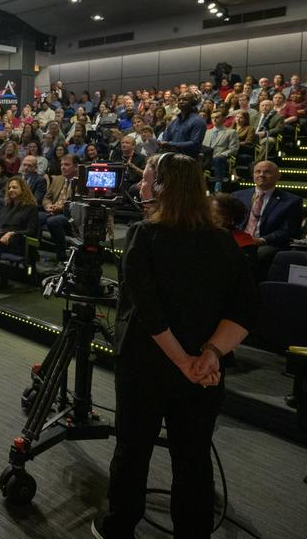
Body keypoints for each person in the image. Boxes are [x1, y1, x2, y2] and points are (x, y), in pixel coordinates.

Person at [96, 153, 256, 539]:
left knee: (133, 451)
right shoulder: (224, 240)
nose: (141, 185)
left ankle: (120, 527)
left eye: (148, 178)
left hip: (147, 366)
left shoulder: (143, 235)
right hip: (204, 372)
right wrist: (210, 355)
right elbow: (246, 309)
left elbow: (148, 313)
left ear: (164, 188)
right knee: (193, 456)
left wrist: (185, 361)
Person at [233, 161, 303, 278]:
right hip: (239, 238)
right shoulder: (238, 196)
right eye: (258, 172)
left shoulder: (291, 201)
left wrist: (261, 240)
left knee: (257, 255)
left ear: (278, 176)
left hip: (266, 243)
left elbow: (288, 231)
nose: (261, 175)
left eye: (267, 172)